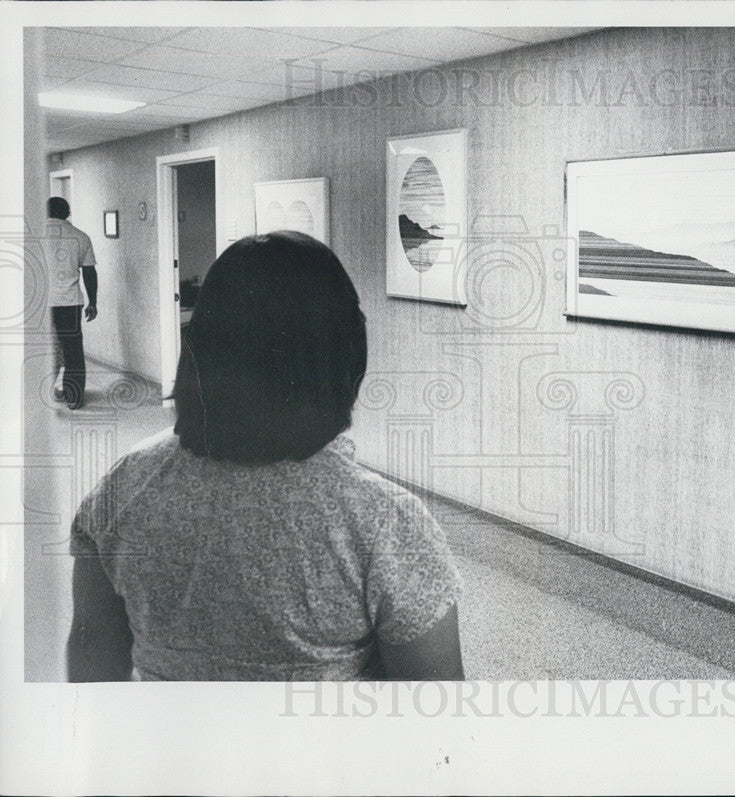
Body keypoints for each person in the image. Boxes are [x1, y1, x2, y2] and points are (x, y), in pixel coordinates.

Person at [66, 231, 464, 681]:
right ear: (343, 356)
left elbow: (91, 662)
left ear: (199, 346)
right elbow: (436, 714)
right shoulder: (385, 522)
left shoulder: (124, 487)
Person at [43, 196, 98, 410]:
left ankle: (41, 393)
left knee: (40, 349)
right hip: (69, 302)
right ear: (68, 213)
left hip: (40, 303)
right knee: (73, 349)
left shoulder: (34, 236)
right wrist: (92, 302)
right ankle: (74, 397)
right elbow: (90, 272)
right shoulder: (80, 236)